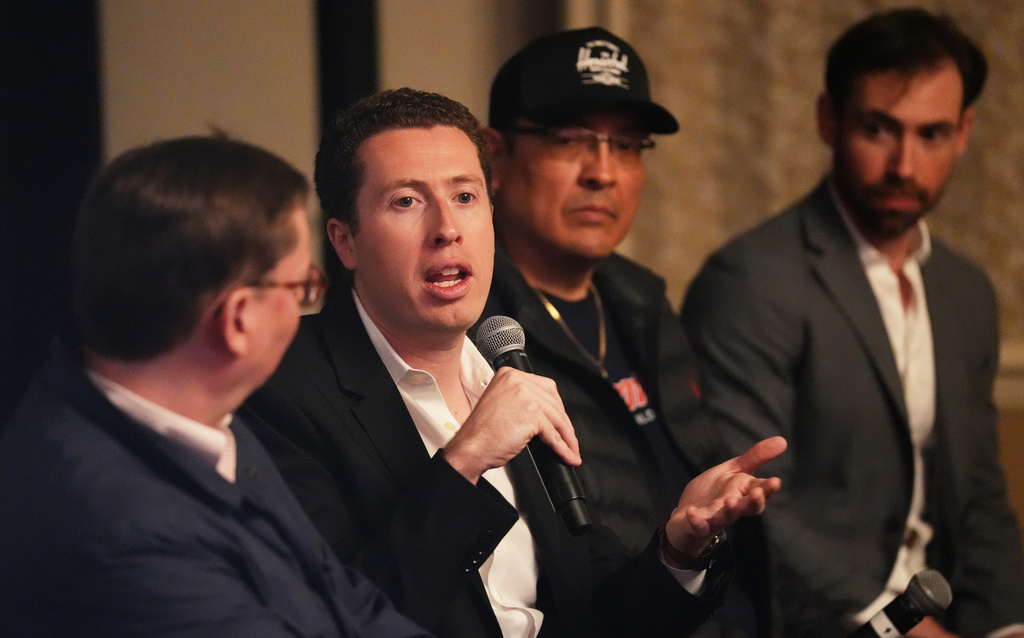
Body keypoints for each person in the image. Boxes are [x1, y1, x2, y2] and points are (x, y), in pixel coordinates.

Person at [240, 87, 786, 638]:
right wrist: (466, 459)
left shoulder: (507, 370)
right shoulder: (280, 389)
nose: (447, 228)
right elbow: (338, 619)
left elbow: (599, 612)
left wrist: (679, 548)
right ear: (345, 241)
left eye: (466, 197)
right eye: (406, 201)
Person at [0, 136, 431, 638]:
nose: (304, 307)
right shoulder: (121, 530)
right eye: (302, 289)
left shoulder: (200, 416)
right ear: (238, 320)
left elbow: (346, 600)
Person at [681, 8, 1024, 638]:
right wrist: (899, 624)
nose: (905, 165)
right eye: (878, 129)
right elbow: (752, 496)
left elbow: (978, 496)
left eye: (933, 134)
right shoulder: (751, 280)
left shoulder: (965, 291)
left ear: (966, 132)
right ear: (828, 119)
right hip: (811, 622)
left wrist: (1006, 624)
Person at [479, 26, 775, 637]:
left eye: (627, 145)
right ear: (496, 158)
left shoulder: (643, 302)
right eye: (570, 141)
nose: (603, 173)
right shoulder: (478, 327)